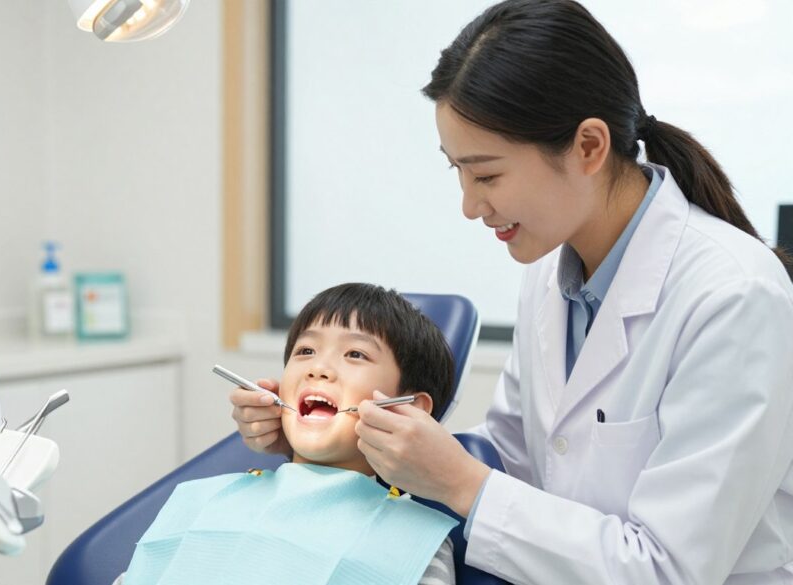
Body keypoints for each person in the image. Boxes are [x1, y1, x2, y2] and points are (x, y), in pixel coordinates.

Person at [231, 1, 793, 583]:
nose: (471, 206)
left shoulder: (734, 297)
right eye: (459, 172)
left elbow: (668, 569)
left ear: (589, 147)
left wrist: (457, 480)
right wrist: (337, 445)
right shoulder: (553, 275)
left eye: (488, 175)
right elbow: (514, 457)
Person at [116, 283, 460, 585]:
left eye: (355, 354)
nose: (318, 368)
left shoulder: (415, 542)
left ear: (409, 410)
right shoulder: (205, 500)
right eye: (305, 351)